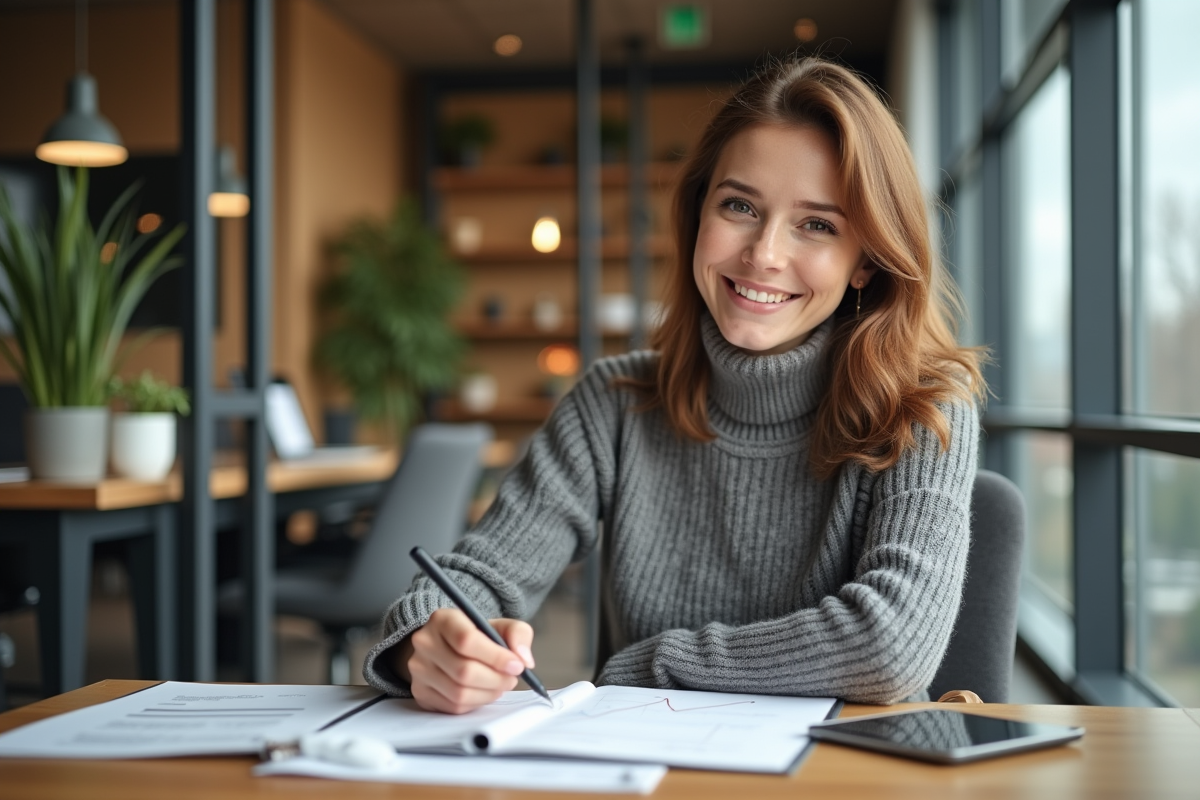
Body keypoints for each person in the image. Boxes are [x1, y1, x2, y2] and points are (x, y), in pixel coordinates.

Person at [362, 56, 986, 713]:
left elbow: (891, 646)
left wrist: (658, 662)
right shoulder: (613, 404)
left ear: (865, 262)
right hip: (648, 772)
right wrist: (430, 642)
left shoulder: (923, 406)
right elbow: (475, 578)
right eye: (740, 206)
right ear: (697, 218)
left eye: (817, 224)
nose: (764, 254)